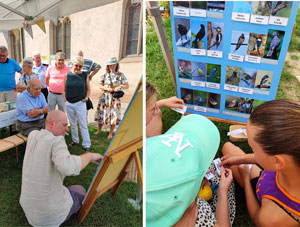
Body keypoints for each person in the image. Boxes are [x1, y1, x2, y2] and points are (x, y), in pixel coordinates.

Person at [220, 99, 300, 226]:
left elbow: (257, 217)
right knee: (228, 148)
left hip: (265, 197)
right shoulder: (291, 160)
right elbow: (266, 159)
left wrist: (246, 179)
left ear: (277, 162)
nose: (251, 151)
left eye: (253, 148)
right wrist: (240, 159)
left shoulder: (273, 217)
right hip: (268, 179)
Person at [146, 114, 234, 227]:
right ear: (192, 202)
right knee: (227, 185)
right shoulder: (203, 221)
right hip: (213, 216)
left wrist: (196, 184)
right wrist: (223, 191)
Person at [20, 110, 103, 226]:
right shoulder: (56, 141)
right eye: (64, 125)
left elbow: (61, 158)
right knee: (80, 190)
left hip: (28, 208)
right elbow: (68, 168)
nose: (67, 129)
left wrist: (80, 158)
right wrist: (89, 156)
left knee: (64, 189)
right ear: (52, 124)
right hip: (48, 216)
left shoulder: (33, 135)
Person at [94, 57, 129, 139]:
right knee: (101, 113)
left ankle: (110, 133)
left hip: (114, 98)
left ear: (116, 64)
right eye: (110, 65)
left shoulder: (120, 75)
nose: (111, 66)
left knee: (114, 114)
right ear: (108, 66)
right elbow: (100, 85)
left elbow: (127, 85)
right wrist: (106, 88)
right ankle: (99, 130)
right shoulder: (104, 75)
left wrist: (120, 87)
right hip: (105, 97)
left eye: (113, 64)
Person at [64, 56, 91, 152]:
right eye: (76, 65)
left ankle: (86, 144)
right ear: (72, 65)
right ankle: (75, 140)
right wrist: (65, 99)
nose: (78, 68)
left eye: (80, 66)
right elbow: (64, 89)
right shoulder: (67, 75)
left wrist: (86, 98)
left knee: (83, 124)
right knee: (73, 123)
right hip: (69, 103)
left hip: (80, 103)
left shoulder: (84, 75)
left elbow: (88, 89)